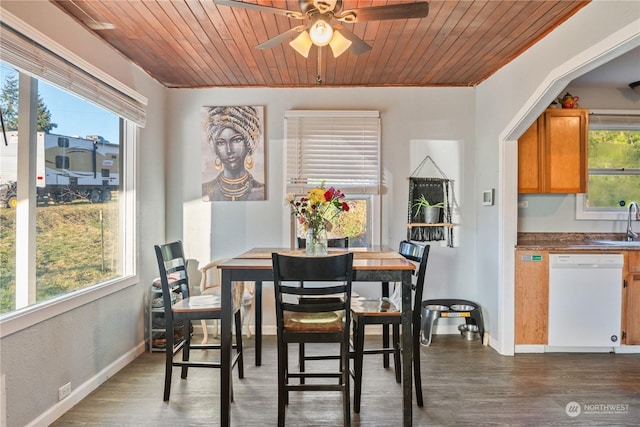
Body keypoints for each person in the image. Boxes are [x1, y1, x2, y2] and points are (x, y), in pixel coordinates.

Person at [202, 106, 265, 201]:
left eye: (237, 140)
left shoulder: (260, 191)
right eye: (221, 143)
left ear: (248, 143)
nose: (229, 150)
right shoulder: (205, 191)